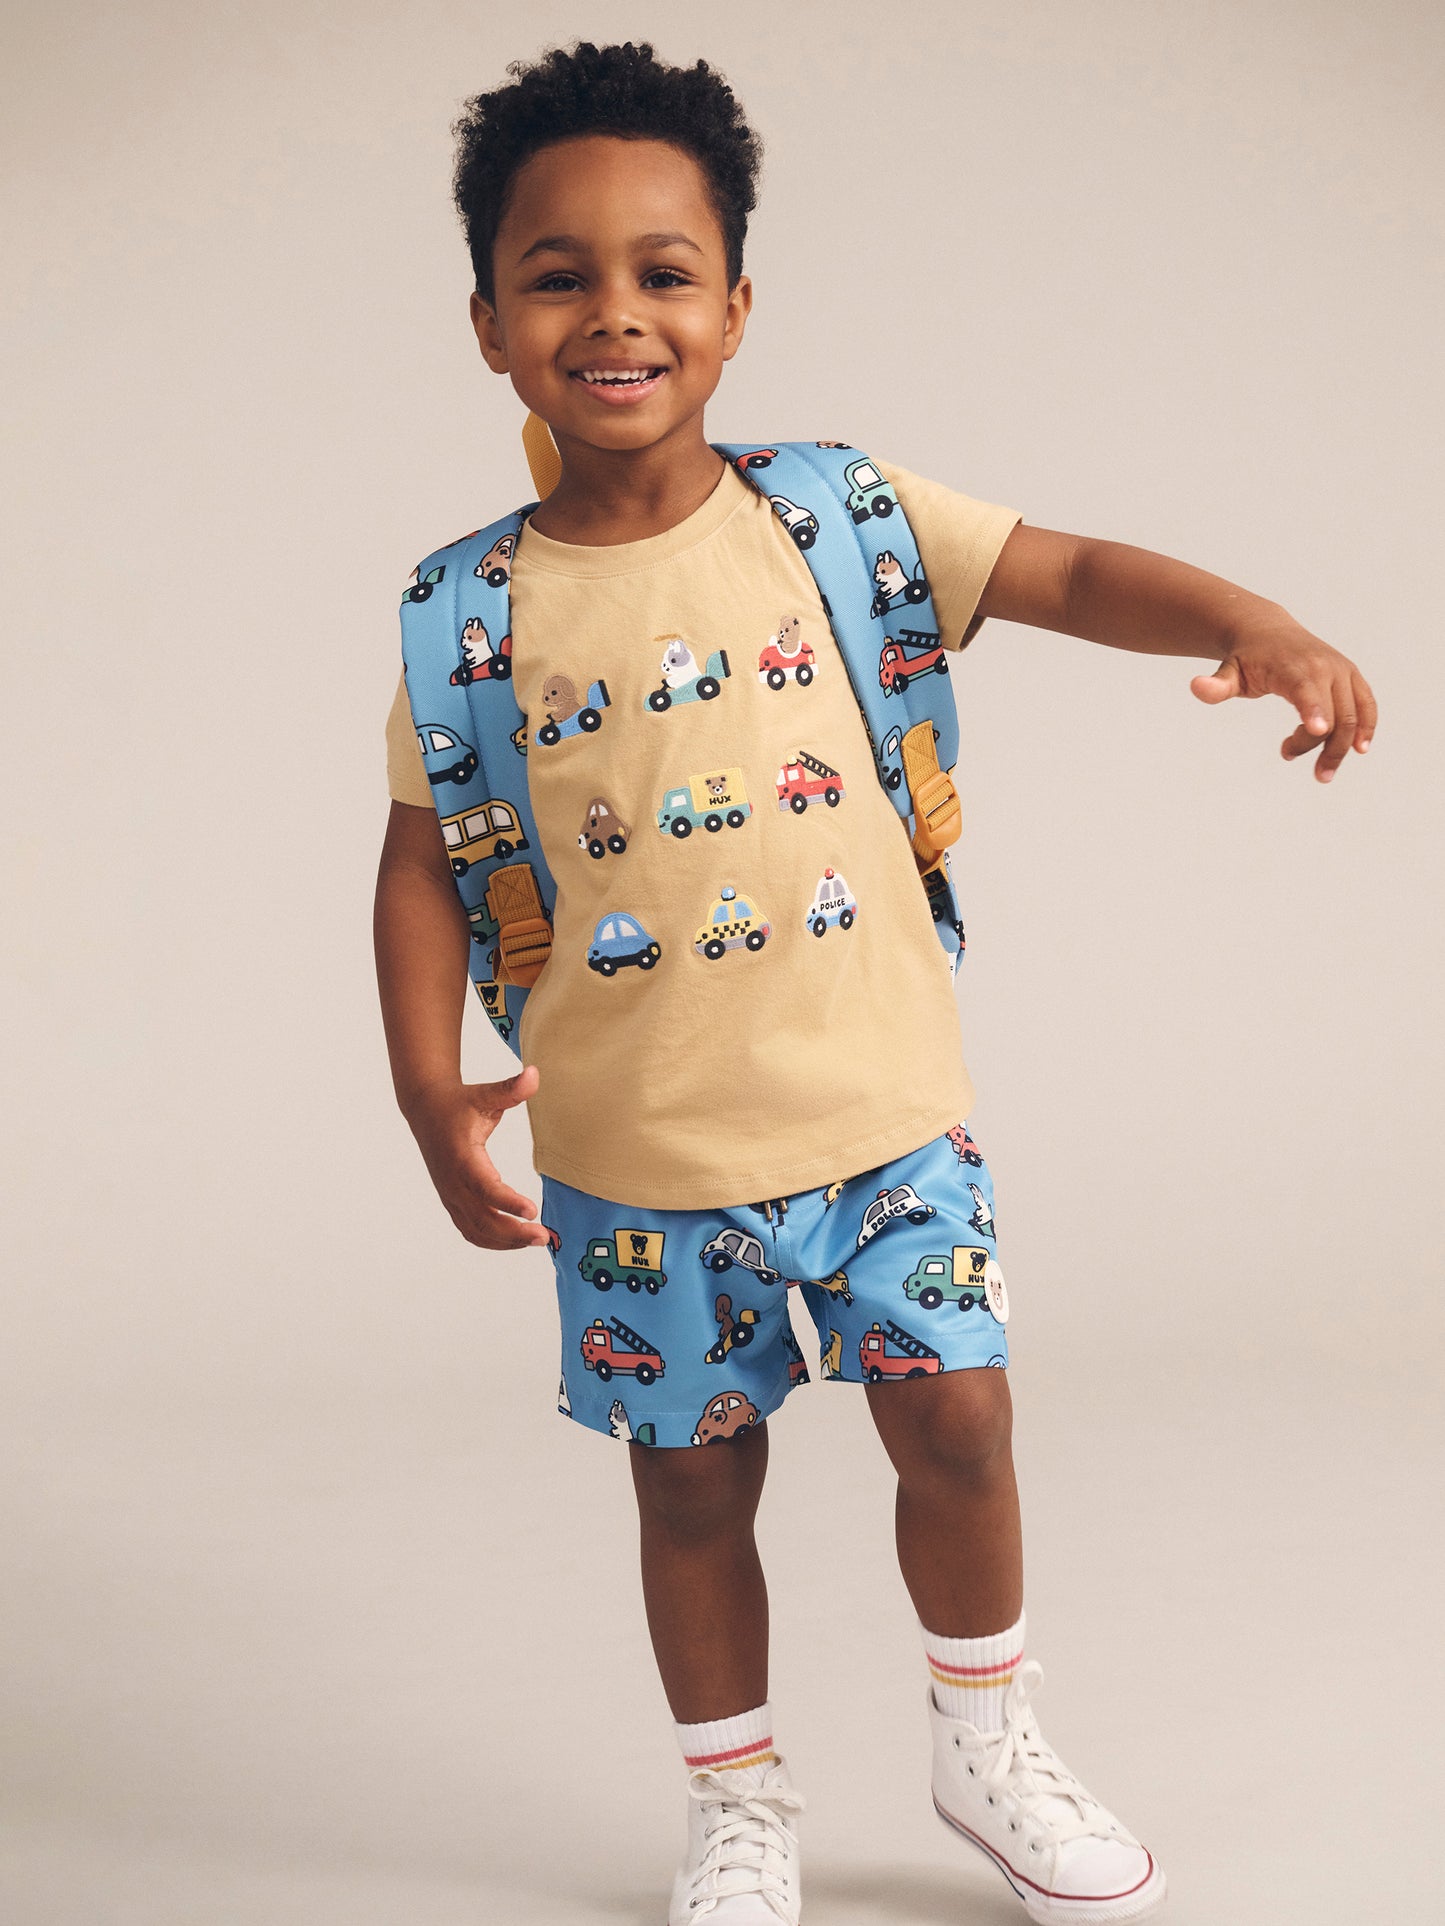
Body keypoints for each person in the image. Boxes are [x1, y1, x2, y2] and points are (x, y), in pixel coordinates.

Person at [372, 41, 1375, 1926]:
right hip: (636, 1157)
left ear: (736, 308)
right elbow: (424, 857)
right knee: (691, 1489)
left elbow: (1069, 568)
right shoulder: (466, 610)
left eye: (665, 272)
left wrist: (1250, 617)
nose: (615, 313)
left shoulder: (834, 514)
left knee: (961, 1423)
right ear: (491, 325)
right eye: (558, 275)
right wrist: (431, 1090)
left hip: (884, 1116)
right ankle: (735, 1802)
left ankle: (985, 1737)